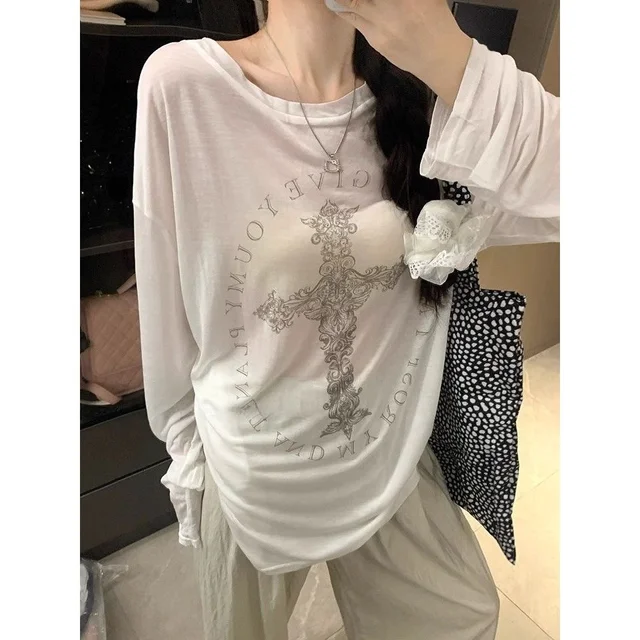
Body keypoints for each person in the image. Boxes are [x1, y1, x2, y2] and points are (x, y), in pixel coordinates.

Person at [132, 0, 559, 638]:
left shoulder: (431, 100)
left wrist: (453, 61)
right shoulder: (184, 85)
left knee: (464, 616)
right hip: (258, 471)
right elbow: (166, 302)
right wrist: (186, 454)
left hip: (388, 455)